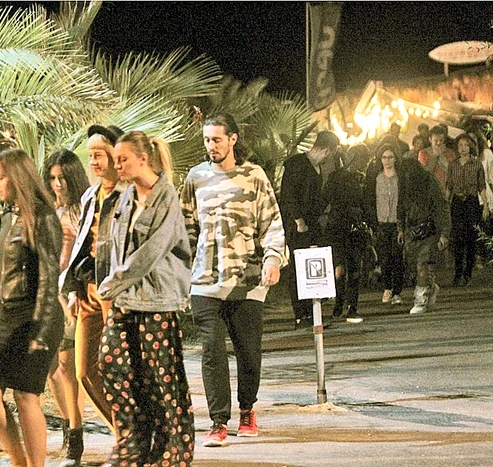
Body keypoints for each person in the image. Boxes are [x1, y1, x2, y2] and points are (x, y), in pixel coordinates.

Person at [181, 113, 286, 447]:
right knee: (211, 351)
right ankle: (217, 422)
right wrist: (182, 273)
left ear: (233, 139)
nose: (211, 145)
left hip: (247, 280)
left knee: (248, 353)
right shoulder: (196, 178)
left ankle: (247, 410)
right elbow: (186, 229)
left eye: (217, 139)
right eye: (207, 140)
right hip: (205, 281)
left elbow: (272, 222)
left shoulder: (254, 176)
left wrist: (273, 258)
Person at [98, 130, 195, 467]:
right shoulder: (125, 196)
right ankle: (131, 444)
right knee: (112, 365)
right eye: (115, 160)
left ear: (143, 159)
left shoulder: (166, 197)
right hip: (126, 298)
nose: (117, 165)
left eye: (122, 159)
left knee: (161, 378)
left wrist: (113, 283)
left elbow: (152, 251)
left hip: (157, 300)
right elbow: (115, 246)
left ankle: (172, 450)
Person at [0, 148, 64, 467]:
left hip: (37, 316)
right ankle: (19, 461)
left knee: (26, 395)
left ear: (17, 178)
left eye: (0, 178)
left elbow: (49, 277)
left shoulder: (43, 217)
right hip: (9, 316)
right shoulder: (8, 216)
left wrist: (41, 331)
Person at [60, 125, 125, 440]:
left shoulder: (130, 195)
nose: (94, 162)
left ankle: (130, 441)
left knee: (119, 368)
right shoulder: (90, 196)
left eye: (99, 155)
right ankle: (126, 433)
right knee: (85, 370)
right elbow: (82, 245)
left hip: (118, 293)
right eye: (91, 156)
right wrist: (74, 289)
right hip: (88, 291)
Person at [42, 149, 90, 467]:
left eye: (63, 178)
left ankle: (75, 435)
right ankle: (67, 422)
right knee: (50, 369)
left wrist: (75, 290)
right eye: (52, 178)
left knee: (67, 367)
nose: (58, 184)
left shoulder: (81, 210)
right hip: (46, 294)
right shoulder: (48, 210)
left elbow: (83, 256)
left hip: (69, 294)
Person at [280, 130, 340, 328]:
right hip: (297, 226)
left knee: (311, 266)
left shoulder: (317, 168)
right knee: (298, 268)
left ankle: (312, 312)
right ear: (326, 149)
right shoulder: (297, 165)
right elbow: (288, 195)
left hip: (312, 224)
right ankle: (301, 314)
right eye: (330, 153)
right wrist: (298, 220)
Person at [398, 158, 451, 315]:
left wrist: (444, 233)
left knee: (423, 264)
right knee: (415, 265)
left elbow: (441, 206)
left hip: (429, 229)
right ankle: (430, 286)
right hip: (412, 231)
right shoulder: (403, 184)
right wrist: (400, 228)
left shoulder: (429, 182)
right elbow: (400, 207)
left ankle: (420, 300)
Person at [324, 147, 371, 323]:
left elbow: (367, 203)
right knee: (340, 269)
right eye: (363, 160)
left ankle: (352, 306)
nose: (364, 164)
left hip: (355, 227)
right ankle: (339, 303)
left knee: (354, 267)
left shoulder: (362, 179)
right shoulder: (337, 177)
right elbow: (326, 198)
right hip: (338, 226)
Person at [445, 133, 489, 286]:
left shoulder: (476, 164)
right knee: (457, 238)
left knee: (471, 237)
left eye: (465, 145)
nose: (463, 148)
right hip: (457, 202)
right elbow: (449, 187)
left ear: (471, 146)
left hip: (471, 201)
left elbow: (481, 186)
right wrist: (445, 204)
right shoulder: (453, 165)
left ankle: (467, 273)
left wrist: (486, 205)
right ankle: (458, 272)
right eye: (460, 145)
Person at [365, 144, 405, 306]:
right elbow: (370, 200)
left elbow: (403, 200)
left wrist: (402, 225)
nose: (387, 160)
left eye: (390, 157)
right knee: (384, 257)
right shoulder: (377, 178)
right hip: (381, 223)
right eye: (384, 157)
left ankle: (397, 291)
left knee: (397, 258)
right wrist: (372, 223)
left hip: (396, 223)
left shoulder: (400, 178)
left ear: (395, 159)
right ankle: (387, 288)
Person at [418, 124, 456, 191]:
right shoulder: (423, 153)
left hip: (445, 189)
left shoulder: (450, 153)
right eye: (436, 140)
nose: (438, 143)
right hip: (429, 189)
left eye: (441, 140)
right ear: (430, 139)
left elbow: (453, 172)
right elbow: (425, 174)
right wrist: (435, 155)